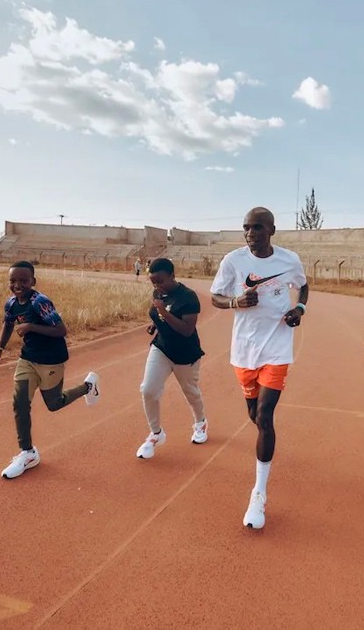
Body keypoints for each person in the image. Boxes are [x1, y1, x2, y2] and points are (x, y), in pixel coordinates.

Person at [210, 207, 308, 529]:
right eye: (246, 228)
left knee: (265, 416)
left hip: (277, 346)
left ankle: (259, 493)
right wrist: (235, 302)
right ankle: (266, 444)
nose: (250, 233)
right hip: (244, 351)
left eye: (257, 227)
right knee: (254, 415)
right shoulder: (233, 261)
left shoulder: (288, 260)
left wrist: (299, 308)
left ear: (271, 230)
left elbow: (303, 286)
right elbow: (215, 297)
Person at [0, 260, 99, 479]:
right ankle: (28, 452)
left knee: (54, 404)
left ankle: (88, 387)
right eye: (13, 280)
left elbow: (61, 330)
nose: (17, 285)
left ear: (33, 281)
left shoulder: (40, 303)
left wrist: (31, 326)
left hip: (51, 360)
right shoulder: (11, 303)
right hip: (28, 359)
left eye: (23, 280)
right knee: (20, 402)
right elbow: (8, 324)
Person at [136, 257, 208, 459]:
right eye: (153, 282)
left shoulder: (188, 297)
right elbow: (161, 315)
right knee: (148, 390)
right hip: (162, 348)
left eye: (160, 281)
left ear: (172, 276)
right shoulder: (159, 293)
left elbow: (186, 330)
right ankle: (156, 433)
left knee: (190, 392)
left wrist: (162, 312)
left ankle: (200, 423)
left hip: (185, 353)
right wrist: (156, 324)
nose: (157, 286)